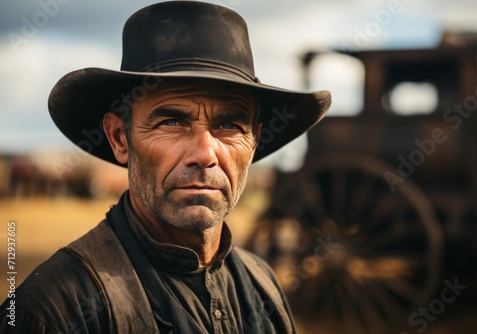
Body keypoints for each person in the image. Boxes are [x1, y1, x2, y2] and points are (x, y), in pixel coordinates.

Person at [0, 1, 331, 333]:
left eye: (229, 125)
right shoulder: (51, 310)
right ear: (120, 138)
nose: (205, 154)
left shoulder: (263, 287)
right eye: (172, 121)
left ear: (255, 142)